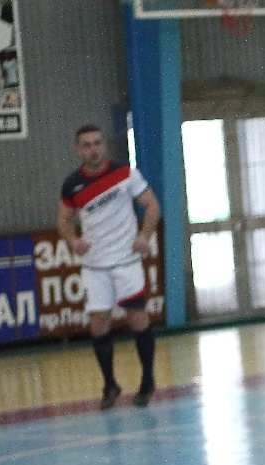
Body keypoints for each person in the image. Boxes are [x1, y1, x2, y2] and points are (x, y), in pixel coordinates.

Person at [59, 125, 162, 409]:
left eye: (97, 143)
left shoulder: (125, 174)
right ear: (78, 150)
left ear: (104, 145)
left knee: (137, 318)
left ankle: (147, 380)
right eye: (87, 145)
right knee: (98, 323)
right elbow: (63, 220)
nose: (93, 149)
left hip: (126, 261)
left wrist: (144, 236)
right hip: (95, 266)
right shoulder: (72, 185)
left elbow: (152, 205)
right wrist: (73, 241)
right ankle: (110, 385)